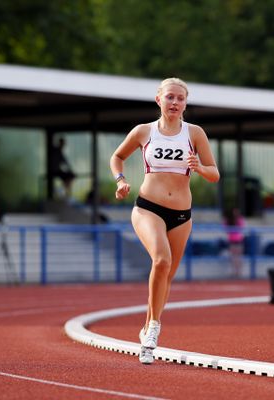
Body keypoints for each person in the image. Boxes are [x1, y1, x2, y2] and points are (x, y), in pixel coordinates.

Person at [110, 77, 219, 365]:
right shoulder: (144, 131)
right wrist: (120, 180)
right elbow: (117, 157)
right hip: (148, 208)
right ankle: (155, 329)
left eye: (180, 99)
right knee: (161, 260)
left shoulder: (194, 133)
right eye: (170, 97)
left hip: (182, 215)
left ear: (185, 103)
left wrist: (200, 168)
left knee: (167, 275)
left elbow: (214, 173)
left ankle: (146, 327)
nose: (175, 103)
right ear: (159, 99)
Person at [224, 207, 244, 278]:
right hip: (232, 241)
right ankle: (234, 272)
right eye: (234, 212)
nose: (235, 213)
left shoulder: (239, 219)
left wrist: (236, 220)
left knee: (238, 257)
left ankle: (239, 272)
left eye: (237, 212)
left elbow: (242, 226)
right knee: (233, 257)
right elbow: (225, 227)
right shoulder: (228, 220)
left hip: (239, 241)